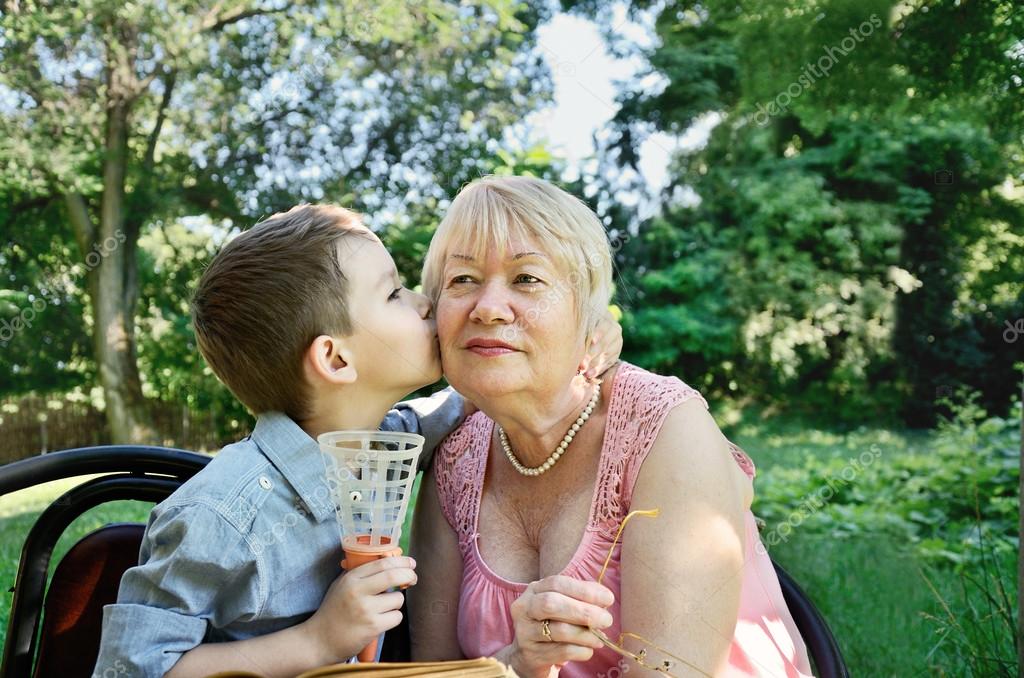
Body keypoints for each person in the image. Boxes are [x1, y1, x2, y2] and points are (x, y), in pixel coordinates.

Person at [91, 203, 624, 677]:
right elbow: (131, 669)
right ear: (336, 359)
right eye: (394, 293)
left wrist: (582, 338)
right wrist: (317, 640)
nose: (425, 302)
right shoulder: (225, 514)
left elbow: (463, 399)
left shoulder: (384, 444)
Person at [408, 176, 814, 677]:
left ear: (587, 315)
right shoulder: (452, 461)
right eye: (462, 280)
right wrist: (516, 665)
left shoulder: (662, 427)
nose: (488, 307)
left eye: (527, 279)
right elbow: (430, 671)